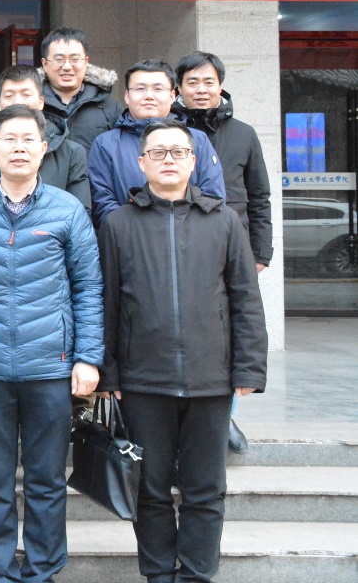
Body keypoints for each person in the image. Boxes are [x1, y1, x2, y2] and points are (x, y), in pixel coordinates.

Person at [98, 119, 268, 583]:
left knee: (205, 489)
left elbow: (245, 299)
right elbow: (107, 301)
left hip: (211, 378)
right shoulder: (118, 223)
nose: (168, 160)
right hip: (142, 380)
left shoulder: (224, 221)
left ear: (194, 161)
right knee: (150, 488)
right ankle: (158, 573)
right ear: (142, 162)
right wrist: (108, 372)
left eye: (178, 152)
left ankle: (194, 574)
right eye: (158, 152)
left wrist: (248, 368)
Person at [0, 105, 103, 583]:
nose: (18, 148)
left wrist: (87, 357)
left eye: (28, 139)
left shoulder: (67, 210)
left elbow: (88, 287)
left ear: (43, 148)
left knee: (46, 480)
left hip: (49, 366)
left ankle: (42, 569)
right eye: (8, 139)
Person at [173, 50, 274, 454]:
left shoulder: (243, 134)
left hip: (232, 251)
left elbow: (260, 197)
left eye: (208, 82)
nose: (201, 89)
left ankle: (223, 414)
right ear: (179, 88)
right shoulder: (168, 132)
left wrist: (260, 253)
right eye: (192, 82)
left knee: (228, 336)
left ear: (221, 86)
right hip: (178, 248)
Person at [88, 59, 226, 227]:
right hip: (130, 238)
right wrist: (135, 232)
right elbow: (102, 202)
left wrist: (179, 234)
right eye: (140, 89)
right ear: (127, 96)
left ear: (172, 96)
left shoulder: (197, 140)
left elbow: (212, 197)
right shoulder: (106, 144)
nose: (149, 96)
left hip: (190, 237)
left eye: (158, 89)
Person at [0, 64, 92, 212]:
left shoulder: (71, 153)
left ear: (41, 102)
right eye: (9, 96)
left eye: (26, 94)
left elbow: (79, 212)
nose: (18, 101)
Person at [39, 26, 122, 152]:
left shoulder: (109, 108)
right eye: (59, 60)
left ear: (86, 62)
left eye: (75, 59)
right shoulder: (32, 105)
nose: (67, 67)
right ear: (45, 64)